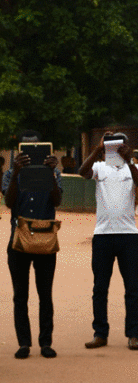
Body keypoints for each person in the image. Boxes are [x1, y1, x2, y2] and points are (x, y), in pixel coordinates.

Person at [79, 133, 138, 350]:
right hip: (103, 235)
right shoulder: (100, 166)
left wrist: (129, 160)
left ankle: (133, 334)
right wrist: (97, 150)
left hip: (128, 235)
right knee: (100, 287)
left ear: (127, 146)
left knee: (132, 287)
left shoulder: (134, 166)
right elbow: (83, 173)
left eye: (121, 144)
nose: (116, 148)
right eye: (111, 145)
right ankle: (100, 333)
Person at [3, 137, 62, 359]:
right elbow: (9, 203)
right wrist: (17, 173)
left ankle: (45, 342)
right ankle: (24, 344)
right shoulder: (11, 174)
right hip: (19, 240)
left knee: (45, 294)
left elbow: (56, 202)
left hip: (45, 240)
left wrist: (51, 174)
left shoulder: (53, 173)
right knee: (21, 295)